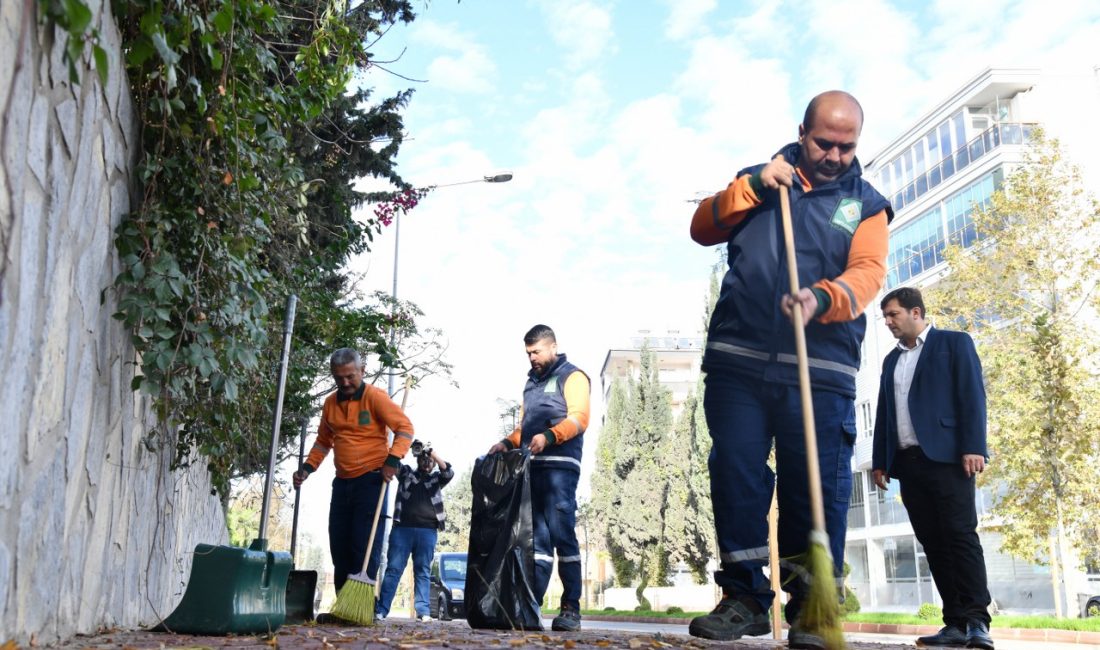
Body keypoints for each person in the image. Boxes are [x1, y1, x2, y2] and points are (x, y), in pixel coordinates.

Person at [687, 91, 893, 648]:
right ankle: (744, 600)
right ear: (802, 133)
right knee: (736, 471)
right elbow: (701, 226)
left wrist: (822, 300)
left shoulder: (867, 205)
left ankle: (811, 608)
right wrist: (753, 185)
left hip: (821, 365)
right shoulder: (758, 181)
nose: (834, 155)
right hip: (740, 360)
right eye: (824, 142)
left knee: (815, 488)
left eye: (847, 147)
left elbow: (869, 273)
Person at [872, 287, 993, 650]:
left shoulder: (954, 343)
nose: (889, 322)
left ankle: (977, 622)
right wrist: (881, 460)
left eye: (893, 315)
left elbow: (972, 396)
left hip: (948, 458)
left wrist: (973, 446)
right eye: (886, 317)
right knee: (934, 543)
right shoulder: (891, 361)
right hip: (908, 463)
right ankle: (954, 624)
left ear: (916, 312)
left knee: (960, 537)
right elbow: (885, 412)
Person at [487, 324, 590, 632]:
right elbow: (525, 428)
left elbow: (579, 418)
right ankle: (530, 607)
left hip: (560, 469)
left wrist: (550, 435)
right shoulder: (530, 384)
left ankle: (571, 608)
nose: (531, 358)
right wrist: (506, 442)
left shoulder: (573, 376)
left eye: (536, 352)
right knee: (538, 543)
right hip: (532, 470)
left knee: (563, 537)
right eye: (528, 353)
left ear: (552, 347)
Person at [293, 348, 415, 593]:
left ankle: (362, 606)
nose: (345, 382)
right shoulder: (330, 404)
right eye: (339, 378)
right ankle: (343, 605)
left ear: (362, 371)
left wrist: (393, 459)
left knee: (363, 544)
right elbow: (323, 441)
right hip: (342, 483)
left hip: (371, 481)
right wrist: (308, 468)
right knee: (339, 544)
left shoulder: (375, 397)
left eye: (350, 376)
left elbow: (405, 428)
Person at [375, 444, 454, 621]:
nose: (427, 463)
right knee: (394, 569)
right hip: (402, 529)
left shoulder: (436, 480)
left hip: (427, 531)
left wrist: (433, 452)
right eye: (424, 459)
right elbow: (393, 463)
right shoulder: (407, 474)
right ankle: (382, 610)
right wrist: (404, 447)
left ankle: (423, 612)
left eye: (430, 461)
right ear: (417, 459)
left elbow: (448, 472)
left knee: (423, 571)